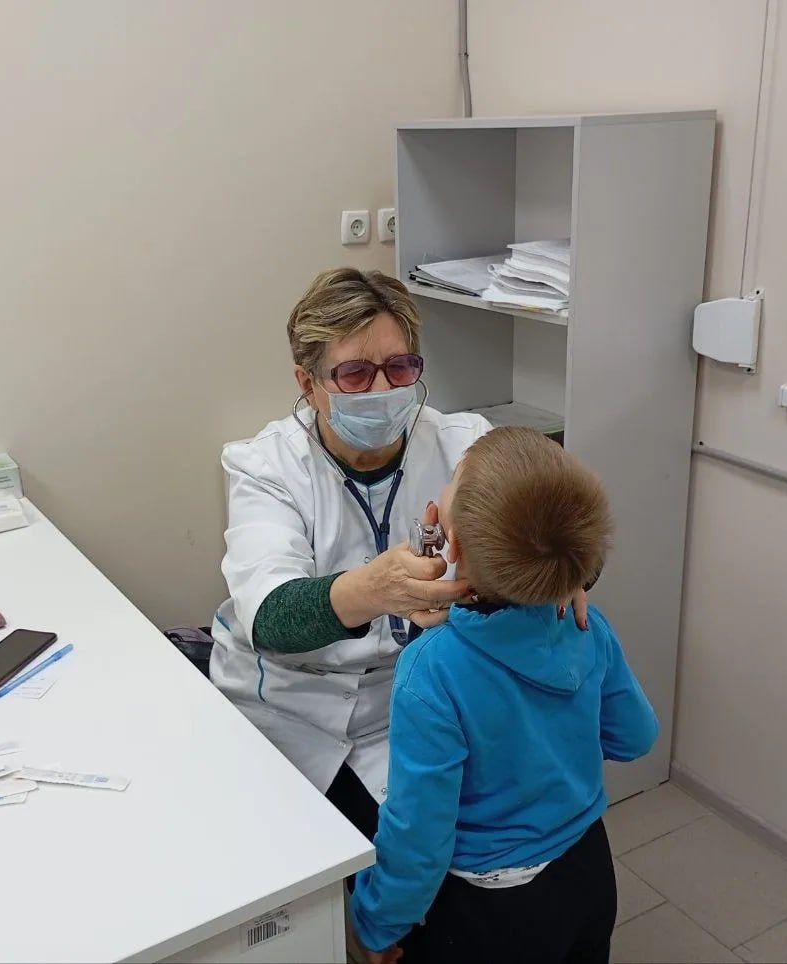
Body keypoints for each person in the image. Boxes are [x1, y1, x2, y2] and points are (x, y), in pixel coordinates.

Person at [210, 268, 588, 843]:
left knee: (496, 834)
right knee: (336, 850)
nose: (382, 389)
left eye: (400, 367)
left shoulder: (465, 444)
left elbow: (567, 520)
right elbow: (271, 617)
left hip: (423, 695)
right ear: (307, 383)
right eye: (355, 374)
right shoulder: (266, 467)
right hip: (292, 705)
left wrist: (567, 569)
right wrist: (373, 589)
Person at [350, 426, 659, 964]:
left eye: (454, 478)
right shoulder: (586, 625)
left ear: (453, 545)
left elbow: (419, 834)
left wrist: (376, 925)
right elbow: (635, 737)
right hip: (587, 870)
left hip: (490, 911)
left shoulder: (432, 669)